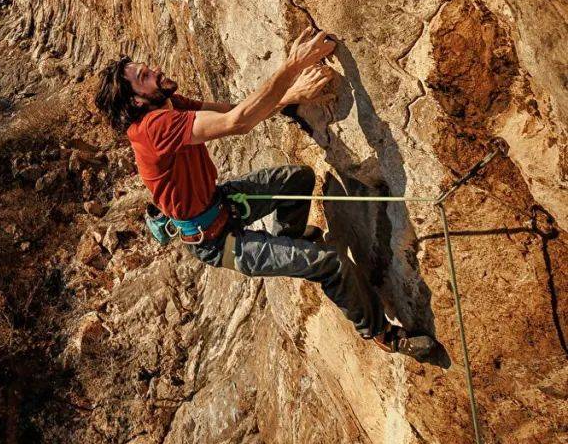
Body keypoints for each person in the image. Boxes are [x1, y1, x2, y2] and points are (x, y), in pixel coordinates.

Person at [93, 26, 436, 360]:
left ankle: (291, 238)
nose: (153, 70)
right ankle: (380, 333)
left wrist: (289, 96)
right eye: (143, 76)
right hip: (215, 241)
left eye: (144, 68)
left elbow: (231, 112)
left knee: (298, 179)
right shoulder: (154, 129)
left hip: (221, 205)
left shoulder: (169, 105)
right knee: (330, 264)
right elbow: (237, 123)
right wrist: (293, 66)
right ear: (138, 99)